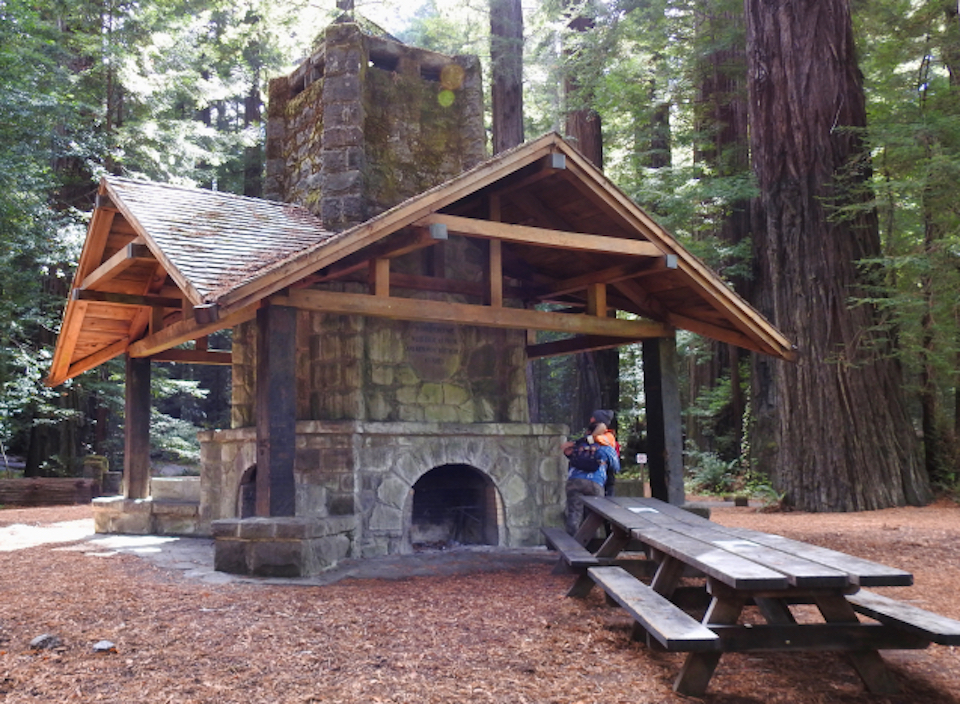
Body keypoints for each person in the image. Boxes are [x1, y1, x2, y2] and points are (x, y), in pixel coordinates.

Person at [562, 421, 620, 535]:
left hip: (575, 481)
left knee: (574, 513)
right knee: (593, 517)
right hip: (595, 482)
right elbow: (616, 467)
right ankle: (591, 544)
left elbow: (568, 453)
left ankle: (571, 543)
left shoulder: (579, 444)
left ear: (588, 431)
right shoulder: (605, 447)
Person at [590, 410, 621, 497]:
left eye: (594, 419)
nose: (591, 420)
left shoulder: (608, 436)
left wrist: (600, 428)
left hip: (606, 475)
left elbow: (594, 439)